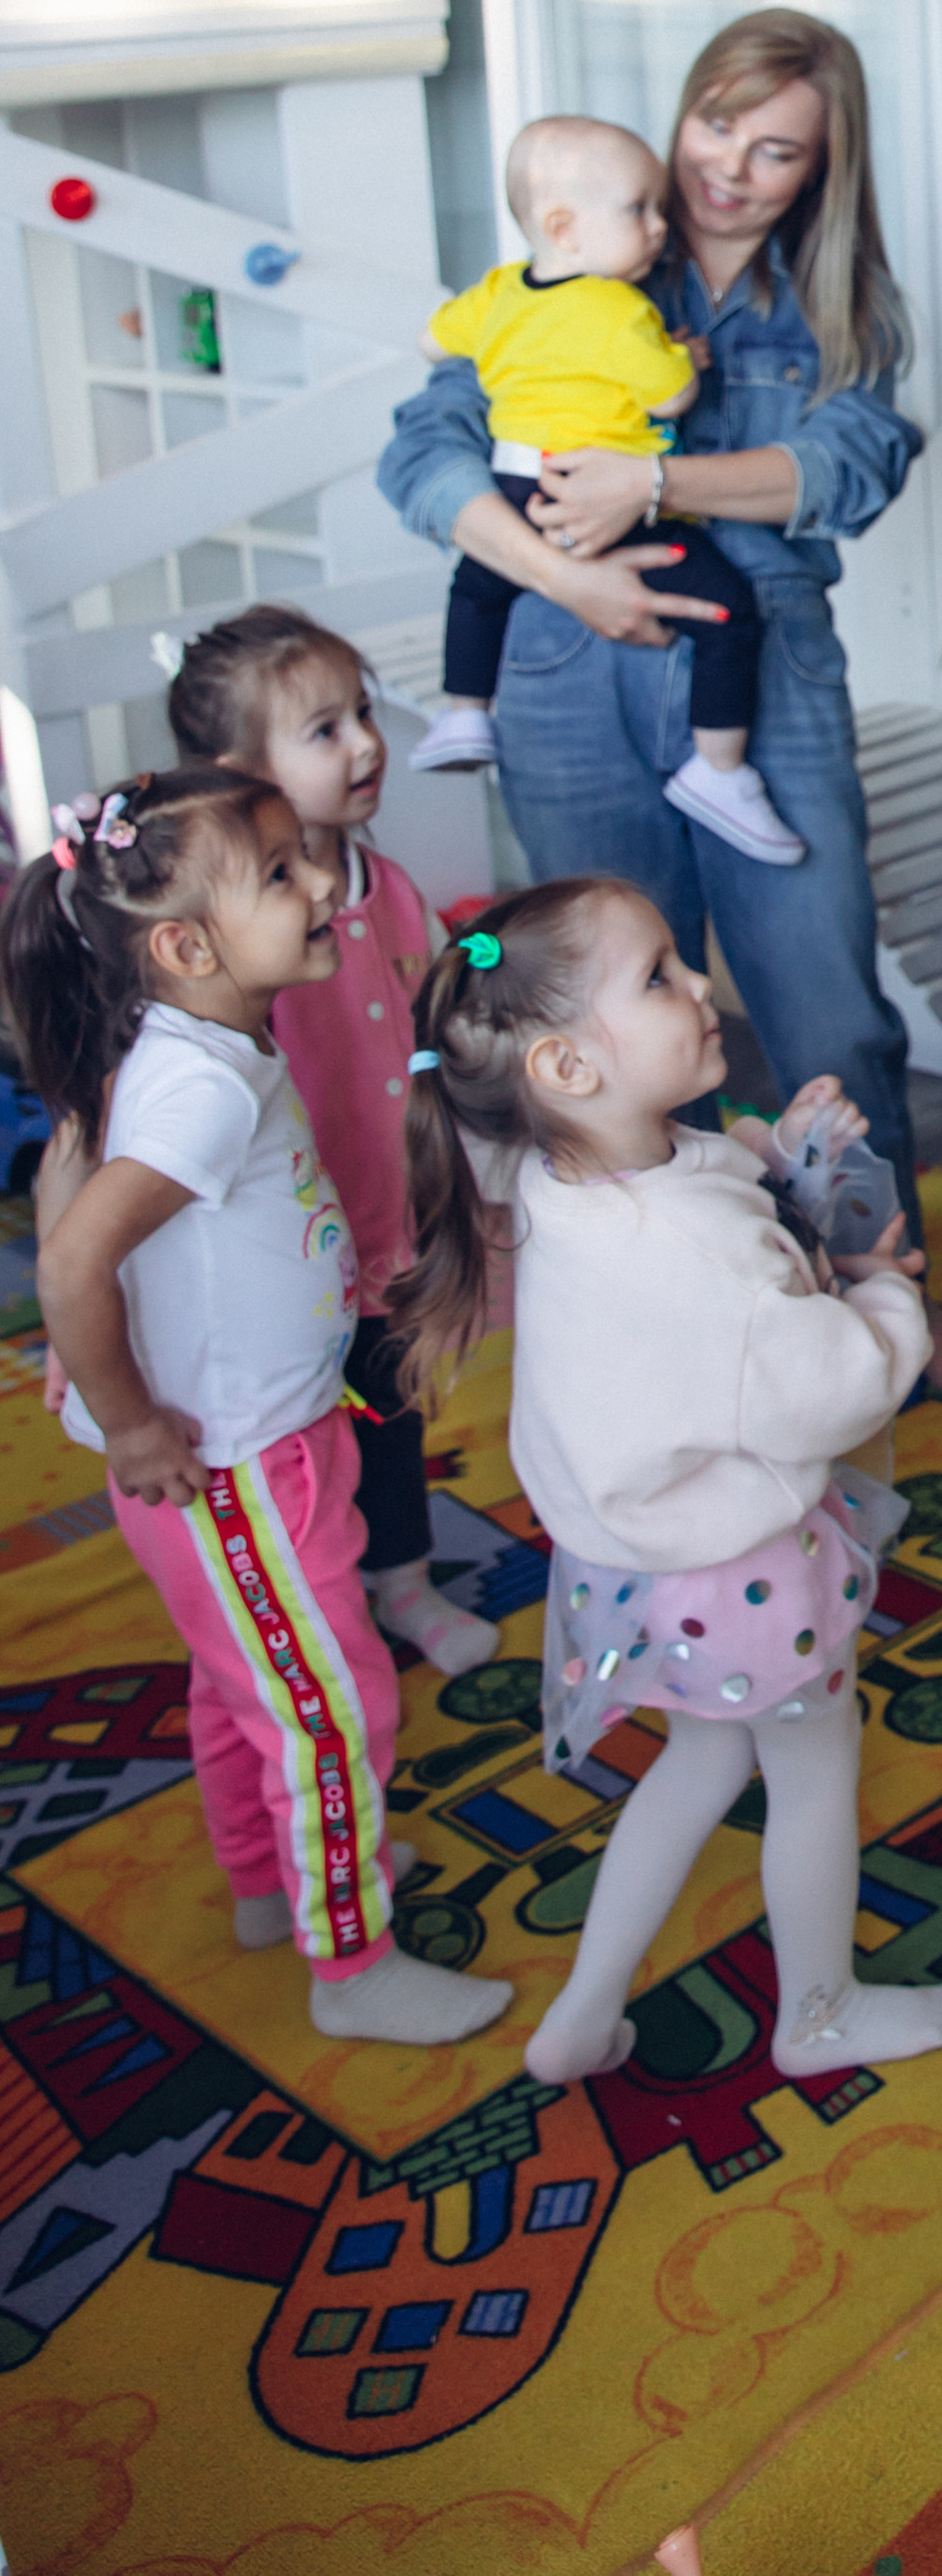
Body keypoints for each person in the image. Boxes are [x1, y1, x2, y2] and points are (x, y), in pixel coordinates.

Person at [375, 14, 942, 1366]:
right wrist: (565, 575)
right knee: (595, 1030)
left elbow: (842, 472)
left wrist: (652, 483)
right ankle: (672, 1331)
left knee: (831, 1013)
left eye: (778, 152)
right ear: (680, 109)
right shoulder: (559, 261)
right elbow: (422, 458)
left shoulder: (838, 315)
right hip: (558, 667)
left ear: (821, 171)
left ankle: (881, 1314)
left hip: (760, 663)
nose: (731, 170)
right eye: (717, 127)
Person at [386, 879, 942, 2086]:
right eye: (658, 975)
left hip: (635, 1562)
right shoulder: (697, 1253)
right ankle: (817, 2014)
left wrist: (776, 1150)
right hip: (742, 1569)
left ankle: (584, 2015)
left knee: (702, 1761)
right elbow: (834, 1385)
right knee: (814, 1771)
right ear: (566, 1064)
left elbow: (697, 1172)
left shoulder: (563, 1173)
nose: (701, 985)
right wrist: (879, 1281)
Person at [4, 766, 514, 2048]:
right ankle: (351, 1965)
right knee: (332, 1706)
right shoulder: (203, 1084)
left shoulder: (190, 1043)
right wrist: (128, 1423)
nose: (318, 885)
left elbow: (74, 1169)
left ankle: (258, 1883)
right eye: (279, 875)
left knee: (244, 1682)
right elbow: (68, 1261)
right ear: (183, 946)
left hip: (272, 1442)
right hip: (232, 1470)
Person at [166, 604, 498, 1677]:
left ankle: (401, 1583)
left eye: (364, 712)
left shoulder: (386, 885)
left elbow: (427, 1010)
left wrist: (485, 945)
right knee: (305, 1445)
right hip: (288, 1260)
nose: (366, 743)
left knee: (392, 1413)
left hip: (389, 1229)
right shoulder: (227, 942)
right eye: (325, 729)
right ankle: (317, 1600)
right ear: (238, 770)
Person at [411, 117, 803, 870]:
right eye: (639, 211)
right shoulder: (622, 309)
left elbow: (432, 342)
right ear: (566, 227)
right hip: (603, 498)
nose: (659, 227)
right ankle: (719, 770)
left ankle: (464, 711)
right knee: (726, 610)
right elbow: (674, 398)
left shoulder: (496, 291)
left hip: (515, 484)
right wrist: (677, 356)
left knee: (477, 586)